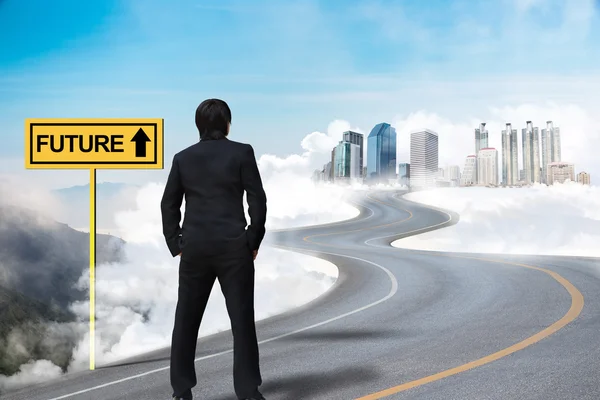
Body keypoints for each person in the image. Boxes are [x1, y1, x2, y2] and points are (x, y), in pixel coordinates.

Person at [161, 98, 267, 400]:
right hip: (235, 249)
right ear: (227, 124)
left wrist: (176, 243)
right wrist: (253, 239)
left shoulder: (183, 158)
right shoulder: (242, 152)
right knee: (242, 321)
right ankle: (248, 392)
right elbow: (257, 199)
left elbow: (169, 204)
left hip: (194, 250)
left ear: (198, 126)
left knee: (186, 321)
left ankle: (181, 391)